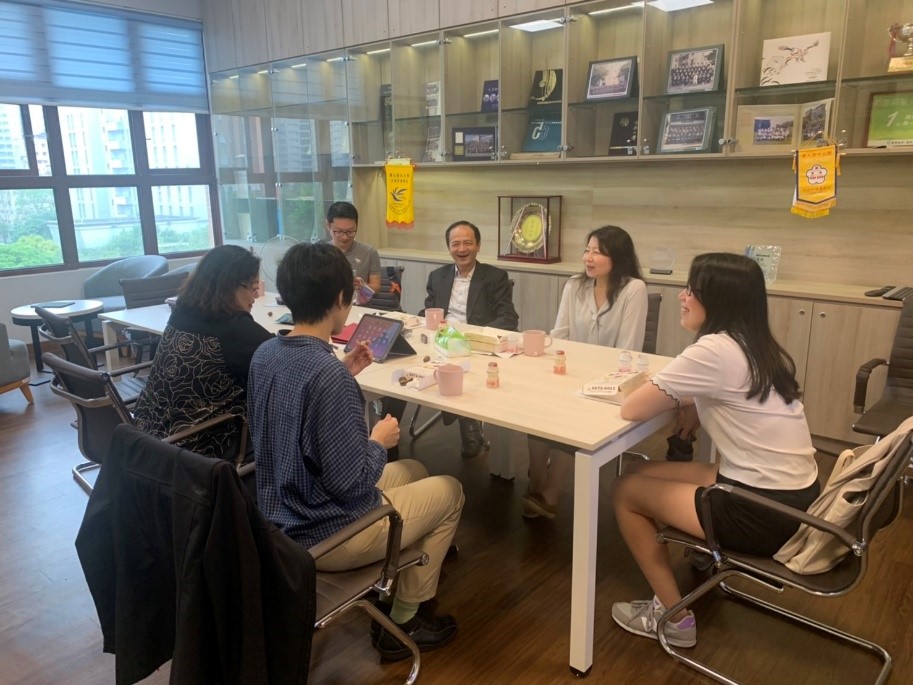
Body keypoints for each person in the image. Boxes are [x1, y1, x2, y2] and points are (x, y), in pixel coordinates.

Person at [248, 242, 464, 661]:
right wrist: (377, 441)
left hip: (281, 519)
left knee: (414, 468)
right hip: (327, 533)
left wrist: (344, 372)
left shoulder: (266, 354)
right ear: (341, 299)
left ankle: (398, 579)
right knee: (451, 491)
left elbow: (297, 420)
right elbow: (349, 484)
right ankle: (403, 623)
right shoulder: (328, 376)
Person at [610, 252, 820, 649]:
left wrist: (683, 397)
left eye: (692, 290)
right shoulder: (757, 346)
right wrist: (691, 400)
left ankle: (673, 618)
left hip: (760, 513)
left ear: (719, 300)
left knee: (624, 491)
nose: (682, 297)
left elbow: (632, 407)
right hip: (795, 499)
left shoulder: (713, 350)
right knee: (637, 473)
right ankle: (703, 550)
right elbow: (725, 392)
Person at [524, 226, 647, 519]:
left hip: (610, 382)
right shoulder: (574, 285)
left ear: (618, 257)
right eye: (587, 250)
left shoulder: (634, 289)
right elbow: (560, 334)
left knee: (571, 418)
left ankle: (551, 494)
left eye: (598, 252)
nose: (588, 258)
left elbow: (628, 350)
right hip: (570, 372)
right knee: (538, 409)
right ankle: (537, 479)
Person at [133, 245, 271, 459]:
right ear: (231, 286)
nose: (254, 297)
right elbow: (284, 358)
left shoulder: (181, 312)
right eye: (253, 288)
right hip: (196, 453)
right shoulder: (235, 330)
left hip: (147, 440)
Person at [423, 220, 519, 458]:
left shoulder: (495, 277)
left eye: (467, 243)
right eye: (455, 244)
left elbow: (508, 318)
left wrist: (473, 335)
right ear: (449, 247)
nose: (462, 249)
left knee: (454, 368)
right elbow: (429, 312)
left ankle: (466, 421)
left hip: (476, 345)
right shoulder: (437, 277)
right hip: (442, 342)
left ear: (478, 245)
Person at [326, 200, 381, 293]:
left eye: (351, 231)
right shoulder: (320, 254)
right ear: (328, 226)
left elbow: (377, 287)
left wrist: (362, 286)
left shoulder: (369, 252)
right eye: (339, 231)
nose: (345, 237)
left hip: (358, 301)